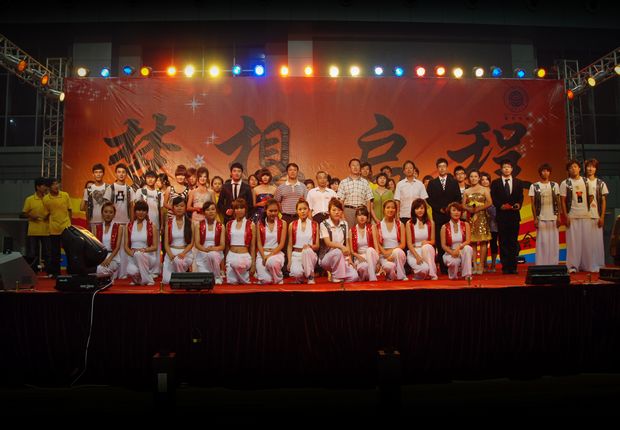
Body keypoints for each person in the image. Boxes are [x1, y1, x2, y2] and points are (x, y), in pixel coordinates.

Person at [560, 159, 598, 273]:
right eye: (571, 167)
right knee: (573, 243)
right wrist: (566, 216)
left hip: (586, 216)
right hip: (572, 216)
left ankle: (588, 265)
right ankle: (573, 266)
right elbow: (562, 201)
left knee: (587, 242)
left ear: (580, 168)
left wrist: (585, 207)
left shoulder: (586, 181)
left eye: (575, 166)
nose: (573, 169)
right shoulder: (565, 183)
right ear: (568, 170)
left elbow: (591, 196)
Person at [427, 158, 462, 274]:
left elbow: (458, 198)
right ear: (437, 168)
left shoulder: (454, 182)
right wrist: (439, 209)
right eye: (440, 167)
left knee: (451, 240)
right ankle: (443, 267)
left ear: (447, 168)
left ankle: (455, 264)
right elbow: (429, 199)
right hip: (438, 216)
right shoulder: (432, 183)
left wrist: (450, 208)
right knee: (440, 241)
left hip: (451, 216)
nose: (442, 168)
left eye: (444, 166)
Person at [490, 159, 524, 275]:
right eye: (504, 167)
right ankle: (505, 266)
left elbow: (521, 197)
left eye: (508, 167)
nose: (506, 169)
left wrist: (518, 204)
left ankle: (513, 266)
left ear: (512, 169)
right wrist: (500, 206)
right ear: (501, 169)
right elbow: (493, 197)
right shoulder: (496, 183)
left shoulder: (518, 182)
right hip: (502, 216)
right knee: (503, 241)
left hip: (514, 216)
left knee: (513, 241)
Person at [319, 198, 359, 283]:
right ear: (329, 212)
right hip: (327, 258)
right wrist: (341, 247)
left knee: (354, 277)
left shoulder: (344, 224)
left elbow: (347, 243)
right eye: (334, 210)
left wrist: (349, 258)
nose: (337, 212)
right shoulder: (324, 224)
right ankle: (336, 276)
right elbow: (328, 243)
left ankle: (335, 275)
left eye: (339, 210)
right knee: (337, 251)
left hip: (342, 257)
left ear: (342, 212)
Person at [528, 163, 561, 265]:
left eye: (547, 171)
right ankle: (541, 263)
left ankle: (553, 263)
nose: (545, 173)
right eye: (543, 171)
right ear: (540, 173)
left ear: (549, 172)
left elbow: (558, 202)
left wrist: (559, 216)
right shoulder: (534, 186)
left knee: (553, 241)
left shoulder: (555, 185)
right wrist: (535, 218)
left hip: (553, 217)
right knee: (542, 242)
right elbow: (533, 204)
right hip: (541, 217)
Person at [462, 169, 492, 274]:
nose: (473, 178)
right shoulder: (466, 191)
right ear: (468, 178)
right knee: (473, 242)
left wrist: (479, 208)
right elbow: (463, 205)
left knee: (483, 241)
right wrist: (469, 209)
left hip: (482, 217)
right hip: (471, 218)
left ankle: (481, 265)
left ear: (479, 178)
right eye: (471, 176)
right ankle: (474, 265)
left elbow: (489, 202)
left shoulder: (484, 189)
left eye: (475, 176)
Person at [124, 200, 159, 285]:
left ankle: (148, 280)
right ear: (135, 211)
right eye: (138, 210)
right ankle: (141, 278)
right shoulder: (129, 225)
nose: (141, 213)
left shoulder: (152, 225)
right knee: (131, 271)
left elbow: (155, 247)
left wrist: (144, 250)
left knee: (139, 254)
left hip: (147, 255)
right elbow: (125, 246)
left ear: (147, 212)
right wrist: (133, 254)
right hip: (133, 256)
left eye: (143, 210)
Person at [42, 178, 71, 278]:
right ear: (49, 187)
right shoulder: (46, 199)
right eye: (53, 184)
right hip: (54, 228)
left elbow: (69, 210)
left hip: (66, 227)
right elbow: (46, 214)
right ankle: (56, 272)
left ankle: (71, 270)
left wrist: (70, 225)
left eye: (57, 183)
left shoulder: (65, 195)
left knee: (69, 250)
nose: (56, 186)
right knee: (55, 252)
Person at [161, 197, 194, 284]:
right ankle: (183, 277)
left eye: (182, 206)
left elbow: (191, 243)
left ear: (185, 208)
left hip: (185, 253)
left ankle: (182, 280)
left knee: (178, 261)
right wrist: (171, 255)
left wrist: (183, 253)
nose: (179, 208)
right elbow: (166, 244)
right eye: (177, 206)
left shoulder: (190, 223)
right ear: (172, 208)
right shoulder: (169, 223)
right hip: (171, 252)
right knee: (167, 281)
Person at [585, 158, 609, 271]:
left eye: (593, 167)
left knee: (597, 242)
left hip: (596, 215)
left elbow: (603, 201)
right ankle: (586, 264)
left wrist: (602, 217)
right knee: (586, 242)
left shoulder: (601, 183)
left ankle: (598, 264)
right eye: (588, 166)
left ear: (596, 169)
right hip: (584, 216)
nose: (590, 169)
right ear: (585, 168)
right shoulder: (582, 182)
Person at [287, 199, 319, 284]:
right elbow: (290, 245)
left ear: (308, 210)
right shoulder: (292, 225)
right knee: (296, 273)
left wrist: (310, 247)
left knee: (307, 251)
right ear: (296, 211)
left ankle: (310, 276)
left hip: (309, 254)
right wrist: (289, 261)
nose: (302, 211)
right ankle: (301, 276)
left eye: (305, 209)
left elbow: (317, 246)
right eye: (300, 209)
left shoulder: (315, 224)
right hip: (296, 254)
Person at [255, 199, 287, 284]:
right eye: (270, 211)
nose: (273, 213)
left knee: (271, 261)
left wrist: (269, 256)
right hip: (262, 253)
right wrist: (263, 256)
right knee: (265, 281)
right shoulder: (259, 223)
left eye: (275, 211)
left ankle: (279, 278)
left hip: (276, 253)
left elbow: (281, 244)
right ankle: (270, 275)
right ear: (266, 210)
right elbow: (258, 243)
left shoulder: (283, 223)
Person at [194, 201, 225, 285]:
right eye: (208, 210)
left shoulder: (221, 226)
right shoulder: (198, 225)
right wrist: (206, 250)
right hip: (202, 253)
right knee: (204, 281)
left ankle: (217, 276)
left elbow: (222, 246)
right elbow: (197, 244)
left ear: (216, 211)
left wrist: (213, 249)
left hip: (216, 252)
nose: (211, 211)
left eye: (213, 209)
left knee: (212, 255)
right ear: (204, 212)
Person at [22, 177, 50, 273]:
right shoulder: (29, 199)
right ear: (37, 187)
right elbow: (23, 213)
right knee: (33, 252)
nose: (45, 188)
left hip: (46, 229)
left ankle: (48, 271)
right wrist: (31, 216)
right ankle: (33, 271)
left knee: (47, 252)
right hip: (33, 230)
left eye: (46, 186)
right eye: (43, 186)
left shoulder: (48, 198)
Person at [225, 198, 256, 284]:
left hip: (244, 256)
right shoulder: (229, 224)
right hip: (231, 255)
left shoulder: (251, 225)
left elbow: (253, 246)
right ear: (234, 210)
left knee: (244, 283)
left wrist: (253, 264)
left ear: (245, 209)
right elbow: (227, 245)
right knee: (232, 282)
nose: (239, 210)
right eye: (236, 208)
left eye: (241, 208)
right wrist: (225, 261)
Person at [405, 199, 438, 280]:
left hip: (427, 251)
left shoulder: (431, 222)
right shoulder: (409, 223)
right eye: (417, 208)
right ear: (413, 210)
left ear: (425, 209)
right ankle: (420, 274)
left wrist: (427, 242)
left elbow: (433, 241)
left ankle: (432, 274)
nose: (420, 210)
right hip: (414, 251)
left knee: (427, 247)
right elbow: (409, 244)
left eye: (422, 208)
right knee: (424, 269)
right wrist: (417, 257)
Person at [337, 158, 374, 228]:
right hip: (348, 211)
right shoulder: (343, 182)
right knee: (348, 232)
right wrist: (342, 214)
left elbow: (368, 200)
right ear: (349, 168)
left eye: (357, 165)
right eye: (353, 165)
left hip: (362, 211)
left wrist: (368, 214)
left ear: (360, 168)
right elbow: (340, 200)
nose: (355, 167)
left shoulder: (365, 182)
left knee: (361, 231)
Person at [440, 202, 473, 280]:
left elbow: (468, 240)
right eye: (454, 210)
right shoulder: (444, 227)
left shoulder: (466, 224)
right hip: (450, 252)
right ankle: (453, 273)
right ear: (449, 212)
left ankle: (467, 274)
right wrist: (452, 252)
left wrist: (458, 248)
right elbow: (443, 245)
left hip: (462, 250)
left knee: (468, 248)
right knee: (454, 264)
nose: (456, 212)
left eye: (458, 210)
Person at [377, 200, 408, 281]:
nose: (390, 210)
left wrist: (391, 252)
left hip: (398, 254)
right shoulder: (378, 225)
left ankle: (401, 275)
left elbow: (403, 244)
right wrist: (385, 253)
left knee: (397, 252)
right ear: (384, 210)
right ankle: (391, 274)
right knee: (389, 267)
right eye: (388, 207)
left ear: (396, 210)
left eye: (393, 208)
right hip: (384, 255)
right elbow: (377, 243)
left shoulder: (400, 224)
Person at [93, 202, 122, 280]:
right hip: (100, 257)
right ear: (102, 213)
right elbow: (95, 247)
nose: (108, 214)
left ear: (114, 214)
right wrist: (101, 259)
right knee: (93, 269)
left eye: (111, 212)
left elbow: (117, 247)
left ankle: (110, 275)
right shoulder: (96, 227)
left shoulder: (119, 227)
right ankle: (108, 277)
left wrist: (109, 259)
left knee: (99, 270)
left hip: (113, 258)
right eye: (105, 212)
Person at [350, 206, 379, 282]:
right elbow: (352, 251)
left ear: (367, 217)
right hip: (359, 256)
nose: (362, 217)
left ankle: (372, 277)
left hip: (372, 254)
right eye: (359, 215)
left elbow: (376, 246)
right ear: (356, 217)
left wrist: (378, 261)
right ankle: (368, 275)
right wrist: (359, 257)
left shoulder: (372, 227)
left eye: (364, 215)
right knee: (363, 268)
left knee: (369, 250)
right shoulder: (352, 230)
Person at [394, 160, 428, 225]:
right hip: (404, 215)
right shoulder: (400, 184)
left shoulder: (420, 184)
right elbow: (397, 201)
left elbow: (423, 201)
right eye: (406, 168)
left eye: (410, 168)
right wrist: (397, 214)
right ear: (404, 171)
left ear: (414, 170)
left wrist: (424, 215)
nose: (409, 170)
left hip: (418, 215)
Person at [480, 172, 498, 272]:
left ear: (489, 181)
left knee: (493, 242)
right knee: (483, 242)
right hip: (482, 220)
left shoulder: (493, 192)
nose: (485, 181)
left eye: (487, 179)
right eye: (482, 179)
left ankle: (494, 264)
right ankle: (484, 263)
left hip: (493, 220)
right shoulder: (478, 193)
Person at [81, 163, 108, 229]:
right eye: (96, 172)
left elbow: (112, 206)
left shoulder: (109, 188)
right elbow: (86, 208)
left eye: (100, 172)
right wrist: (88, 223)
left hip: (106, 222)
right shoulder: (88, 190)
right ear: (93, 174)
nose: (98, 174)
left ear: (103, 174)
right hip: (92, 222)